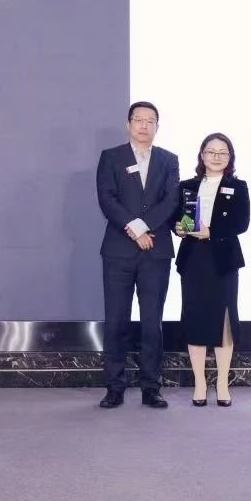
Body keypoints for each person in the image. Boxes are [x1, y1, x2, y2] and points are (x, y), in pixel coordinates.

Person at [95, 102, 180, 409]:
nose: (144, 125)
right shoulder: (111, 157)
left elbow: (171, 200)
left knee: (151, 322)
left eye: (150, 121)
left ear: (157, 126)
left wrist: (145, 227)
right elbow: (107, 198)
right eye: (138, 120)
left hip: (155, 251)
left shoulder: (169, 160)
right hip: (118, 251)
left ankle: (151, 387)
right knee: (116, 321)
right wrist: (134, 229)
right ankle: (114, 387)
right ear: (128, 124)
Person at [173, 133, 250, 407]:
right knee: (194, 318)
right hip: (193, 258)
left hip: (223, 260)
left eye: (222, 152)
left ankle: (222, 383)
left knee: (224, 320)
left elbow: (241, 223)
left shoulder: (237, 186)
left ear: (230, 157)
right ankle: (200, 383)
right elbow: (175, 218)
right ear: (202, 155)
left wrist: (212, 232)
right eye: (211, 151)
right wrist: (178, 228)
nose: (216, 157)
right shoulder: (186, 186)